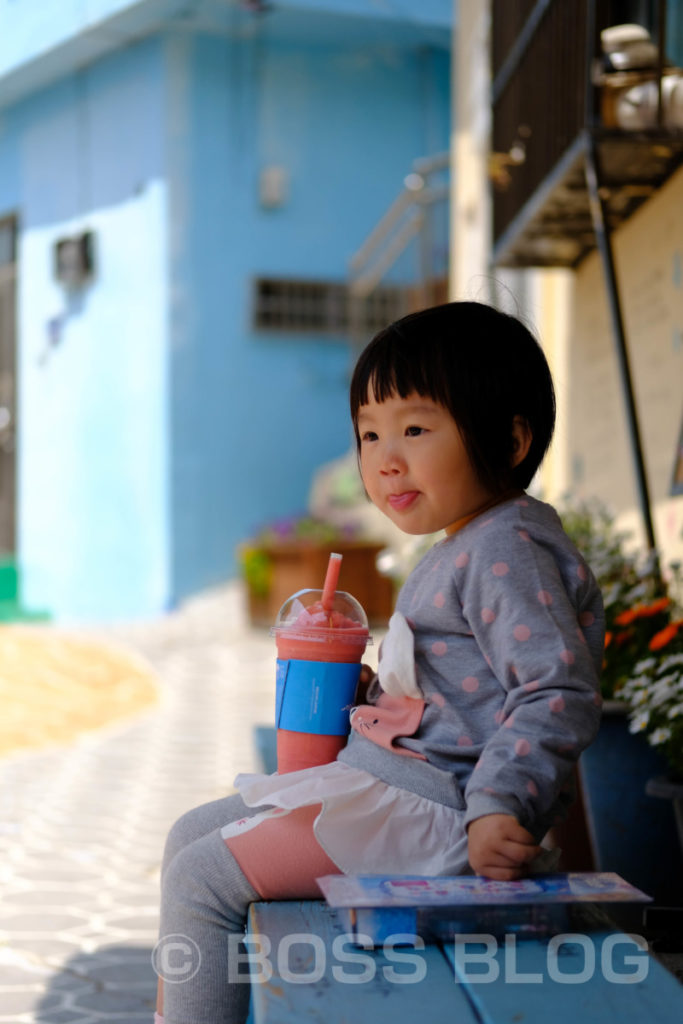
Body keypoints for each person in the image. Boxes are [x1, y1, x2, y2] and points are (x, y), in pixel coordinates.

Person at [154, 301, 605, 1024]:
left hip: (435, 821)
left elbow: (556, 689)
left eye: (415, 429)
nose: (383, 457)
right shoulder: (469, 542)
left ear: (510, 438)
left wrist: (498, 807)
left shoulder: (505, 550)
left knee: (201, 877)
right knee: (188, 836)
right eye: (368, 433)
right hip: (391, 788)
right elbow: (455, 697)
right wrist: (364, 687)